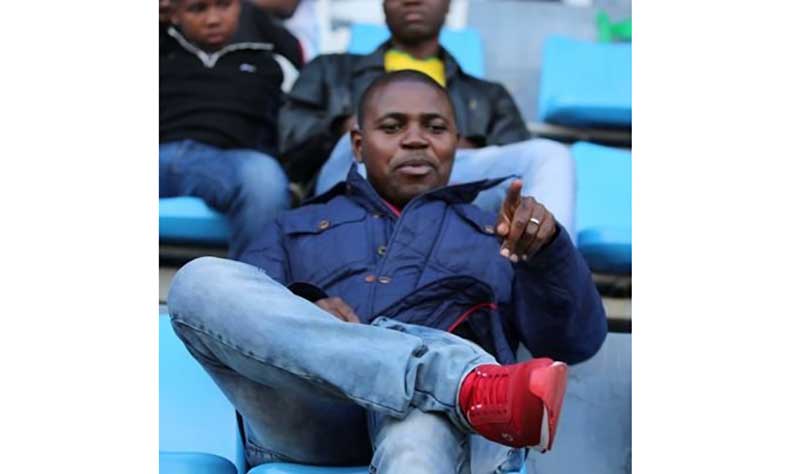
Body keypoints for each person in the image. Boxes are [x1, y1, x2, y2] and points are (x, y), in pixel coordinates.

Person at [167, 71, 607, 472]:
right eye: (393, 127)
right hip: (312, 414)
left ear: (457, 142)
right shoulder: (294, 225)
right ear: (359, 145)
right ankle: (457, 381)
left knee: (419, 428)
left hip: (431, 423)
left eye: (435, 128)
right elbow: (238, 324)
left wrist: (548, 252)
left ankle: (446, 388)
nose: (416, 140)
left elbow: (573, 344)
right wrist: (305, 305)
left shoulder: (497, 235)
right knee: (198, 281)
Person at [278, 0, 578, 240]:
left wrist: (445, 145)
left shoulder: (488, 95)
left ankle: (547, 266)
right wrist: (352, 126)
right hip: (355, 172)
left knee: (550, 154)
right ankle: (354, 252)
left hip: (453, 179)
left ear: (449, 4)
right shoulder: (330, 69)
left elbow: (515, 177)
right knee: (367, 138)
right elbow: (291, 142)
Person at [160, 0, 303, 258]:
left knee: (264, 181)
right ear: (175, 14)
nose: (213, 19)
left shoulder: (269, 63)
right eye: (197, 9)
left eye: (224, 5)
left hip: (231, 161)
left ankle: (247, 281)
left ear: (240, 6)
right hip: (160, 154)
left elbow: (300, 115)